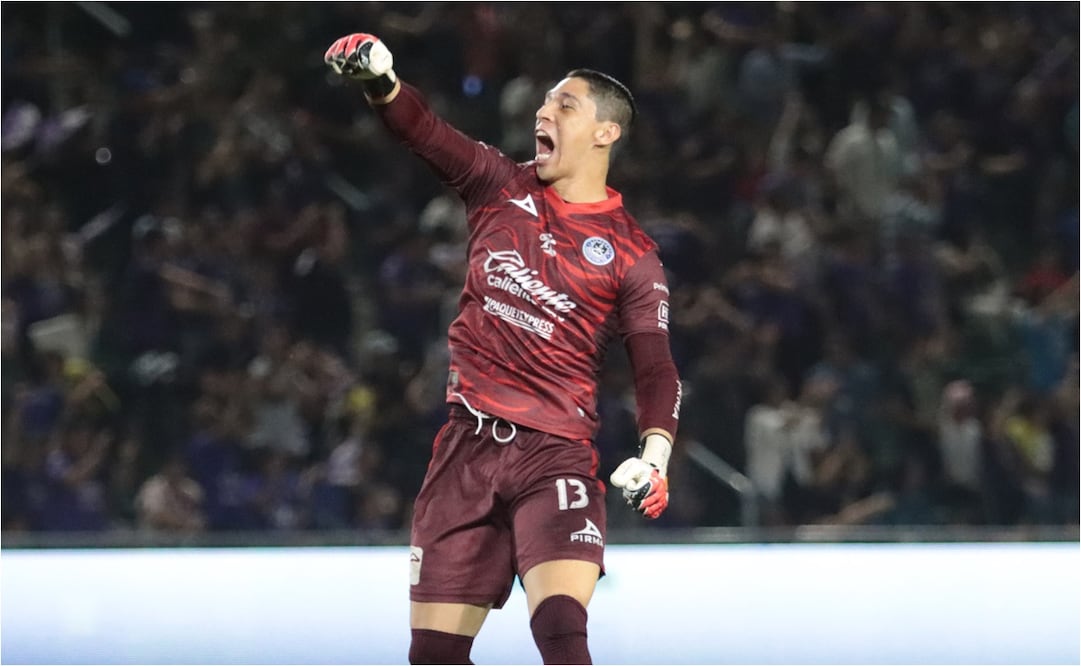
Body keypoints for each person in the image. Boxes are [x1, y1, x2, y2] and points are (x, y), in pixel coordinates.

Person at [325, 34, 682, 665]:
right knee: (432, 656)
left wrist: (655, 456)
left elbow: (655, 365)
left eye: (565, 107)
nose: (543, 114)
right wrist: (381, 83)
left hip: (554, 457)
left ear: (606, 133)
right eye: (544, 104)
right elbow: (426, 132)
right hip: (465, 449)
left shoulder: (632, 253)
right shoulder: (497, 185)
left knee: (561, 633)